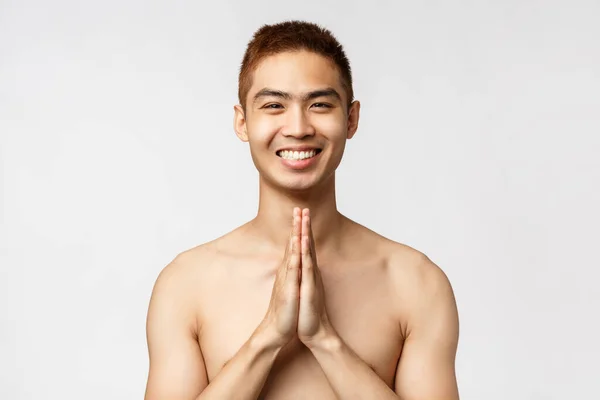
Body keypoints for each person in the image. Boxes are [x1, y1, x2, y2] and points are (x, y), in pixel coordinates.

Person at [144, 20, 460, 400]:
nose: (297, 127)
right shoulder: (185, 284)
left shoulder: (415, 282)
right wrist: (268, 337)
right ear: (243, 122)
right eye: (274, 105)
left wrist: (325, 339)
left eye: (320, 105)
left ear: (351, 119)